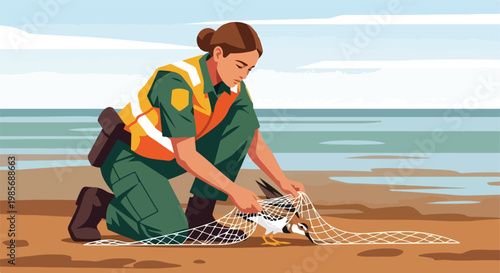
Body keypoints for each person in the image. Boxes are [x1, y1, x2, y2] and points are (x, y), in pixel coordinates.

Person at [68, 22, 305, 243]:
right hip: (130, 158)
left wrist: (282, 182)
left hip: (169, 158)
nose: (244, 75)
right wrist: (234, 191)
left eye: (250, 69)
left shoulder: (235, 88)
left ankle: (200, 216)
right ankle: (99, 204)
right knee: (170, 234)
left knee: (241, 126)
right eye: (240, 65)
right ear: (219, 53)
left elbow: (254, 143)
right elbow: (187, 155)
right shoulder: (176, 82)